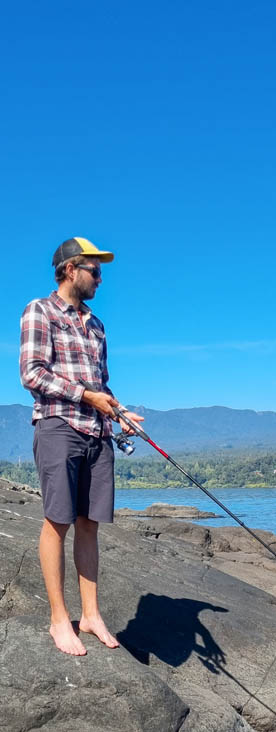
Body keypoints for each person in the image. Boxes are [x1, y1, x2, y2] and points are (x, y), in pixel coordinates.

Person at [19, 237, 144, 656]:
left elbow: (101, 385)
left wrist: (119, 411)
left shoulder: (97, 325)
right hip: (58, 427)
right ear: (71, 269)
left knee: (88, 523)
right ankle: (59, 619)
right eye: (95, 270)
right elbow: (32, 374)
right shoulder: (40, 310)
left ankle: (90, 615)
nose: (101, 279)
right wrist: (85, 397)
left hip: (97, 433)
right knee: (58, 521)